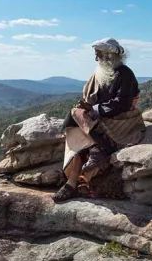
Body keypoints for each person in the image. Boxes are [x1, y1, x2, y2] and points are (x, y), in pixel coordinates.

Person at [52, 38, 145, 202]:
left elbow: (122, 104)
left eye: (99, 55)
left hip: (121, 121)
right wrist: (88, 106)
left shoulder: (125, 74)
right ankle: (75, 179)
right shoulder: (101, 74)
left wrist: (93, 109)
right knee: (76, 116)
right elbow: (92, 98)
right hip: (101, 119)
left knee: (76, 116)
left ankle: (75, 179)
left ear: (109, 55)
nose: (96, 59)